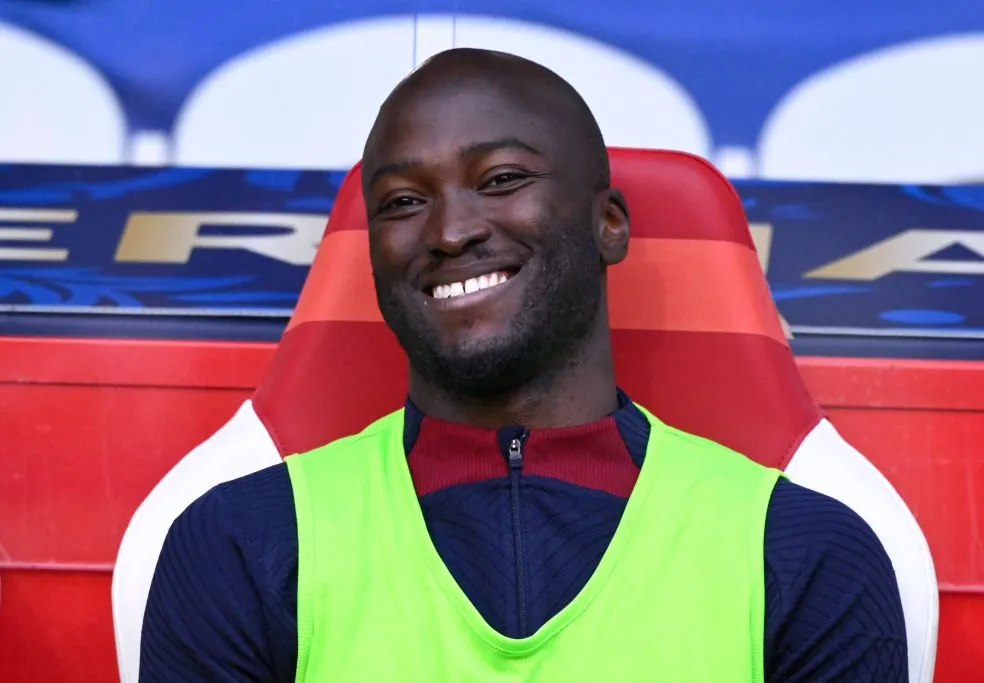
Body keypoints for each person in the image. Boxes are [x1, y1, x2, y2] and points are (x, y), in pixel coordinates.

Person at [140, 48, 908, 682]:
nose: (449, 230)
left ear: (608, 224)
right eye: (404, 201)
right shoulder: (237, 545)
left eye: (501, 179)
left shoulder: (806, 553)